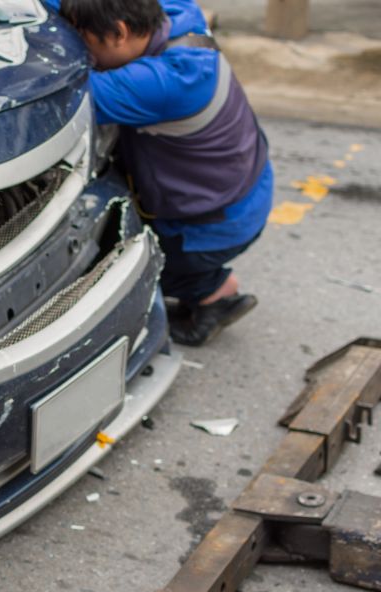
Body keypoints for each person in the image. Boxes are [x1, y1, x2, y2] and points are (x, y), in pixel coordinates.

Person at [45, 0, 274, 346]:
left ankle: (211, 293)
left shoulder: (166, 83)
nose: (77, 44)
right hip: (244, 185)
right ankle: (203, 280)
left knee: (104, 280)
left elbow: (57, 99)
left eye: (81, 36)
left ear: (119, 33)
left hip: (214, 226)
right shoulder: (176, 12)